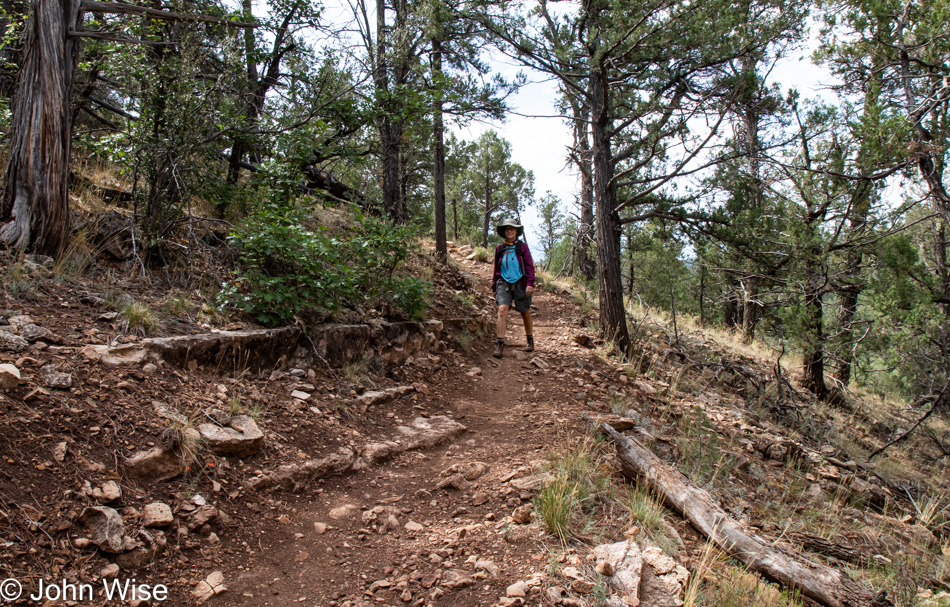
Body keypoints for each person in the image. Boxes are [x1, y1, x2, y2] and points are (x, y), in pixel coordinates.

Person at [491, 218, 535, 358]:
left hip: (521, 283)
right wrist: (494, 286)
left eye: (512, 228)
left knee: (525, 311)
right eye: (507, 228)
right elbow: (496, 268)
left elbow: (529, 266)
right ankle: (500, 345)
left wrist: (530, 283)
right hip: (503, 283)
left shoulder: (522, 247)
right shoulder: (500, 248)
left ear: (516, 231)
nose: (509, 230)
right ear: (504, 232)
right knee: (502, 310)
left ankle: (530, 340)